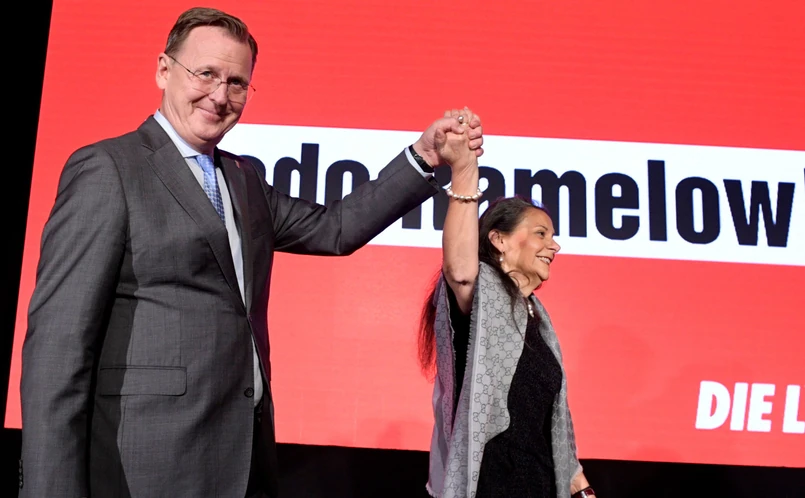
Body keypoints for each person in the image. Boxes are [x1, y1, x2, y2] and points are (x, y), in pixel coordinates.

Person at [19, 7, 483, 498]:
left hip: (242, 466)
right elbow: (58, 349)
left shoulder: (244, 179)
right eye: (205, 73)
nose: (220, 96)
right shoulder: (108, 169)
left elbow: (336, 229)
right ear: (163, 70)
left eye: (236, 82)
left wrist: (424, 156)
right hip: (145, 468)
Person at [418, 125, 595, 498]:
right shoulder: (481, 294)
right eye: (541, 234)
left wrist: (580, 485)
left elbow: (547, 424)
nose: (555, 246)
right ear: (499, 240)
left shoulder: (538, 321)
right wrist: (464, 171)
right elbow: (460, 271)